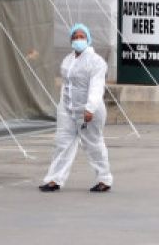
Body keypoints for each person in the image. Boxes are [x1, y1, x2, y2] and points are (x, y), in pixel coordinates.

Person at [39, 23, 113, 192]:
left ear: (88, 39)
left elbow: (96, 86)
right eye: (75, 37)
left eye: (82, 37)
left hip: (89, 110)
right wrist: (62, 107)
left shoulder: (96, 62)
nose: (78, 40)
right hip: (68, 109)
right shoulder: (68, 60)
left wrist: (90, 108)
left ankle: (104, 179)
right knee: (62, 143)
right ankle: (55, 179)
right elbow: (67, 86)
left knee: (93, 144)